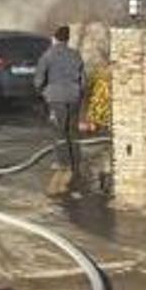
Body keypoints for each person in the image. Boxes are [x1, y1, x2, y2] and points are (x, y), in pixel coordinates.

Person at [34, 25, 87, 193]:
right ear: (67, 39)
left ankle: (64, 165)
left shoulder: (48, 55)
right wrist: (79, 94)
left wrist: (44, 93)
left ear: (55, 38)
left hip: (56, 99)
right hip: (74, 97)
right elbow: (83, 80)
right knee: (72, 132)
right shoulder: (76, 55)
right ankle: (75, 163)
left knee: (60, 132)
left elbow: (38, 80)